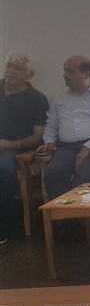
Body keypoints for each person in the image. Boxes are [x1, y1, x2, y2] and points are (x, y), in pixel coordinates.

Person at [37, 55, 90, 199]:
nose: (65, 75)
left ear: (86, 74)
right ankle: (62, 213)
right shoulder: (59, 98)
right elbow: (52, 124)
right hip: (66, 147)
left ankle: (82, 212)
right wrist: (50, 142)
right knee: (53, 173)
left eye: (71, 71)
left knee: (84, 175)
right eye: (64, 71)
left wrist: (88, 147)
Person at [0, 51, 49, 247]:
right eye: (9, 66)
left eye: (18, 68)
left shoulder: (37, 99)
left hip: (13, 149)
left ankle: (2, 228)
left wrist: (13, 145)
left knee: (5, 171)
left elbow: (38, 136)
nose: (11, 71)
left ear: (30, 75)